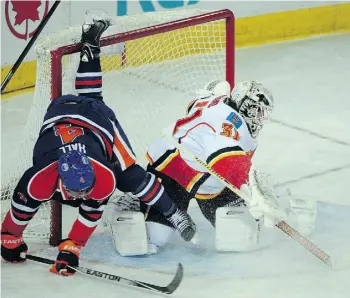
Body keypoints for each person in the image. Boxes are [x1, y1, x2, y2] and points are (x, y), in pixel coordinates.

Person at [0, 19, 197, 275]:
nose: (83, 197)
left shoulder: (102, 176)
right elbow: (18, 213)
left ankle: (174, 213)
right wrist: (9, 240)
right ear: (61, 178)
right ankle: (90, 48)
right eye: (78, 192)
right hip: (61, 111)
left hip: (98, 122)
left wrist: (70, 249)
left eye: (86, 190)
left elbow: (90, 213)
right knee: (90, 97)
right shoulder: (37, 180)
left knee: (131, 177)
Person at [105, 79, 291, 253]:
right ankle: (134, 202)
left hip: (208, 180)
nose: (259, 118)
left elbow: (201, 98)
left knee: (238, 231)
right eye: (256, 111)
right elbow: (227, 162)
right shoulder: (229, 125)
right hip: (173, 170)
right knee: (156, 237)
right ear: (243, 104)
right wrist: (255, 192)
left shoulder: (219, 103)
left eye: (262, 113)